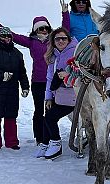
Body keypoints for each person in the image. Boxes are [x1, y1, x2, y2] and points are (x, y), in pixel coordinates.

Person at [0, 15, 52, 145]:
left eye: (46, 27)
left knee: (51, 111)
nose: (44, 30)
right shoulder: (31, 41)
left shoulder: (54, 40)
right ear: (35, 30)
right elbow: (12, 36)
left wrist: (64, 13)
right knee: (39, 110)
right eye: (41, 28)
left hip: (53, 81)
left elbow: (67, 31)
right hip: (38, 81)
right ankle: (40, 138)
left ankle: (51, 137)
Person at [0, 27, 30, 152]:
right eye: (3, 36)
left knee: (11, 116)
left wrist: (25, 87)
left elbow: (22, 72)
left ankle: (11, 142)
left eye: (8, 36)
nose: (6, 39)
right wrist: (1, 75)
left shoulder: (17, 53)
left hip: (12, 89)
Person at [35, 27, 78, 160]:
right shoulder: (52, 55)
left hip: (72, 95)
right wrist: (48, 98)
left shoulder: (76, 52)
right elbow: (49, 78)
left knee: (50, 117)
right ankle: (45, 143)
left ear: (69, 39)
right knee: (47, 116)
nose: (61, 41)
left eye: (63, 38)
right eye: (57, 38)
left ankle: (56, 143)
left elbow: (83, 71)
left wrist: (69, 73)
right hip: (57, 94)